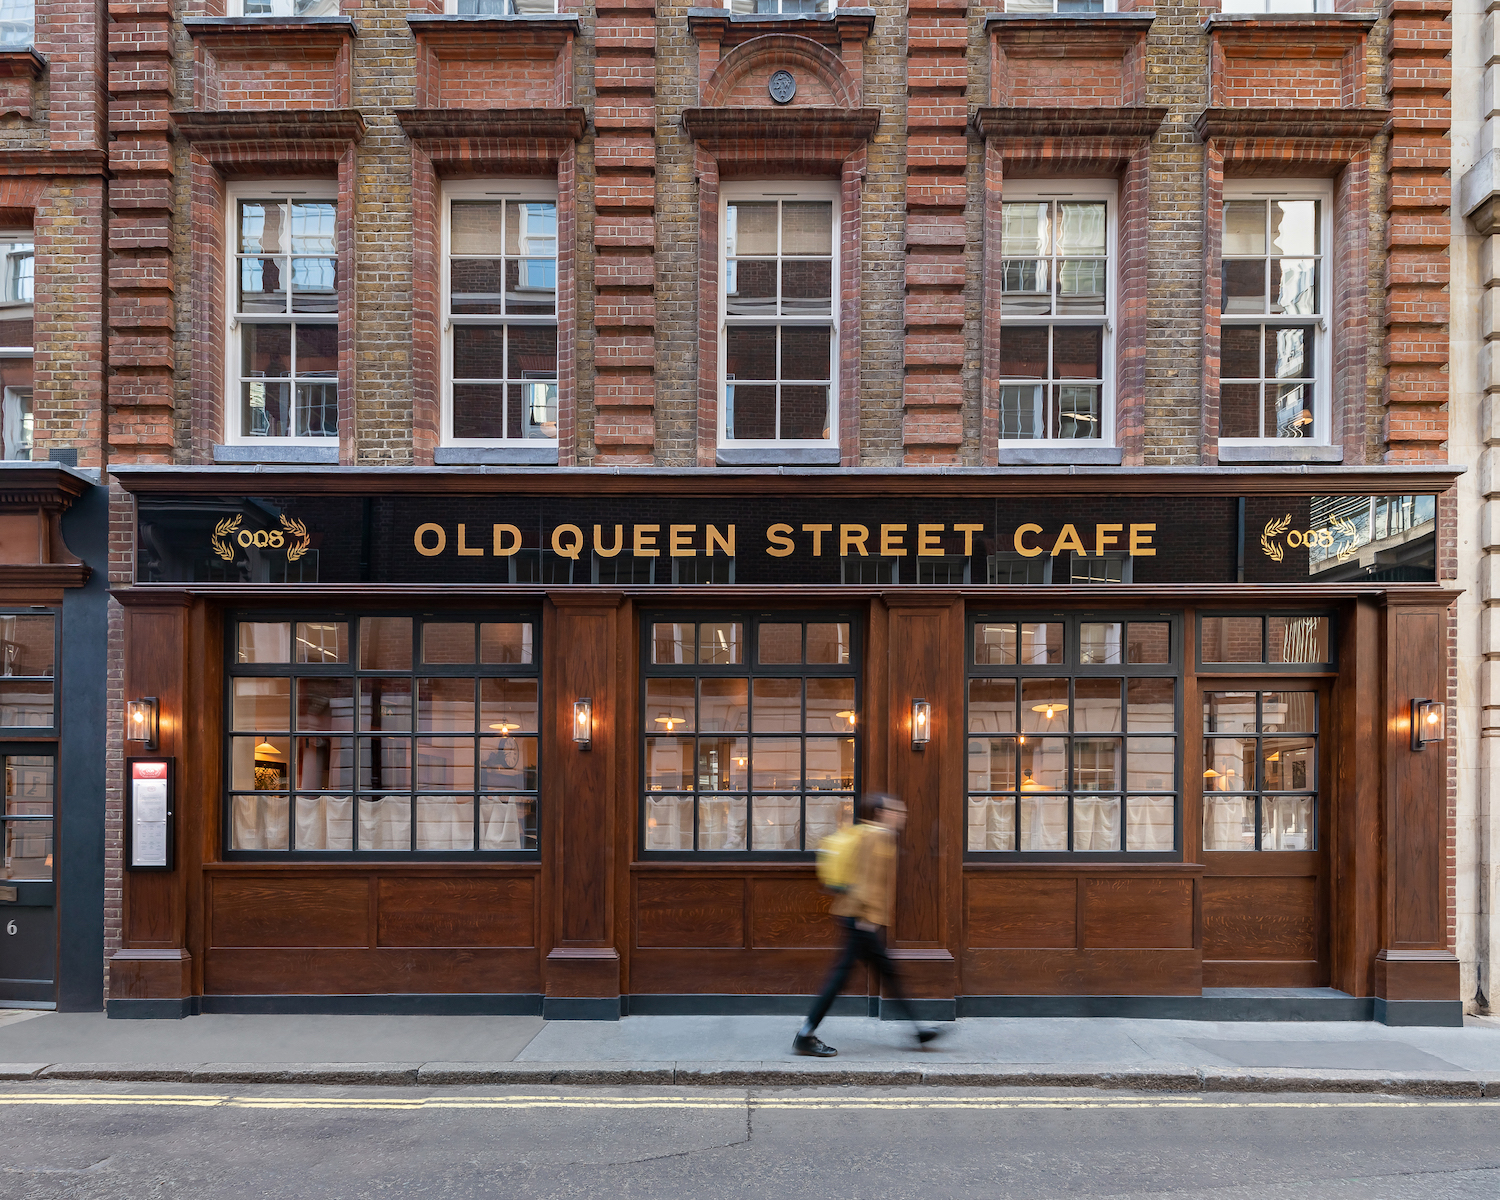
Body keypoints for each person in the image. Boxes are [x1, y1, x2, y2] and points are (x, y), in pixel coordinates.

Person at [792, 792, 946, 1057]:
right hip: (860, 918)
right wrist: (867, 919)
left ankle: (918, 1031)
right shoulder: (876, 836)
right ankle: (805, 1034)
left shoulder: (864, 834)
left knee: (884, 972)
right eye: (896, 811)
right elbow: (868, 882)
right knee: (844, 976)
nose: (901, 815)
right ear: (879, 813)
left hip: (854, 914)